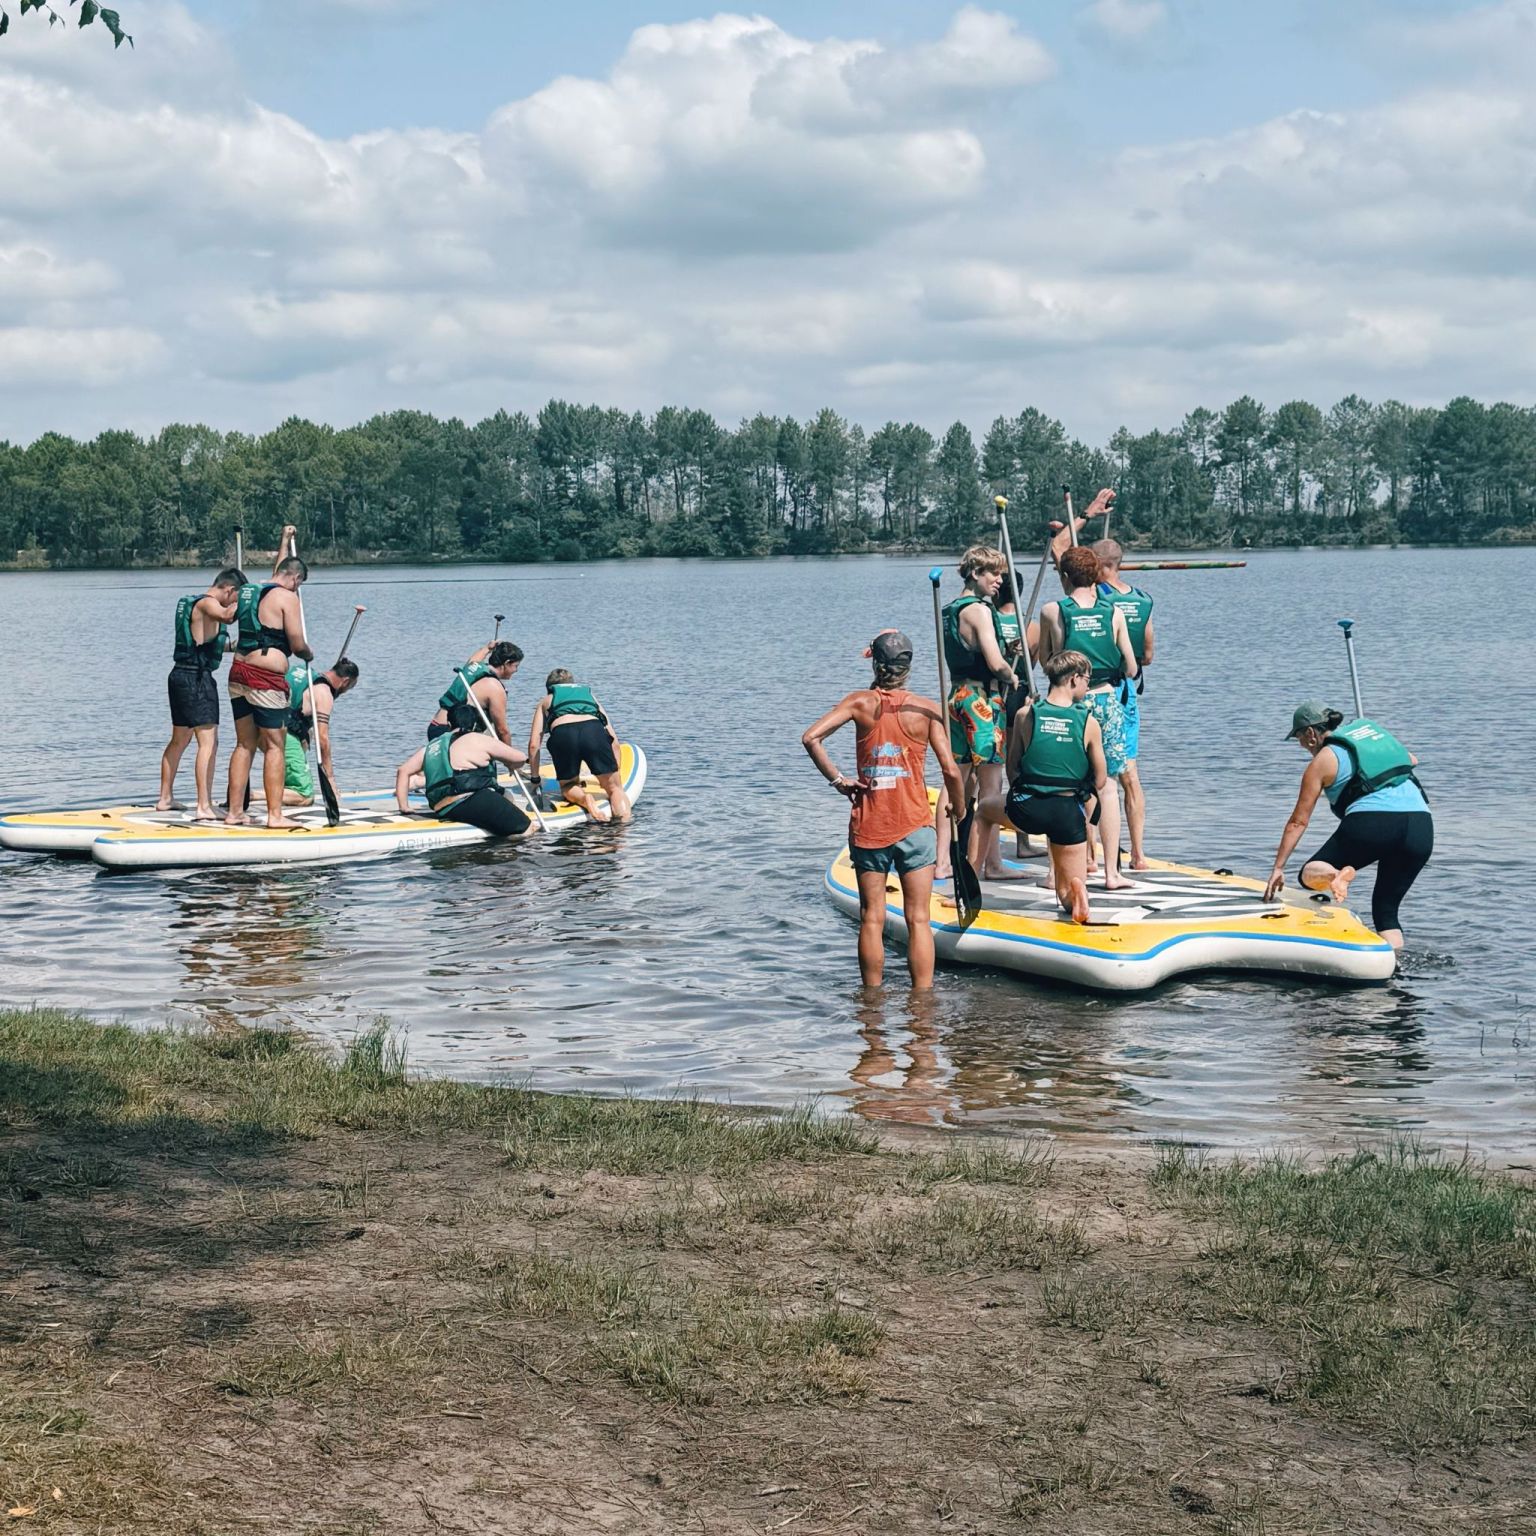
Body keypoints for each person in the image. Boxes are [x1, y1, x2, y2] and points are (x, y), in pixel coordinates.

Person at [801, 630, 966, 990]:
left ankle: (871, 1003)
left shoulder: (859, 702)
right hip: (915, 825)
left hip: (870, 823)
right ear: (908, 667)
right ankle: (922, 1003)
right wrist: (959, 805)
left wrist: (839, 780)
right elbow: (952, 771)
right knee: (918, 919)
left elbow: (811, 737)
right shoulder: (926, 709)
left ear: (875, 664)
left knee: (871, 918)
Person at [1264, 703, 1432, 950]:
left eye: (1299, 737)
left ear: (1311, 733)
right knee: (1386, 910)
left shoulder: (1322, 761)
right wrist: (1371, 751)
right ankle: (1394, 964)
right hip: (1421, 827)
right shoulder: (1373, 742)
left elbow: (1298, 822)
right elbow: (1411, 759)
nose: (1301, 745)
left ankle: (1335, 875)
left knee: (1308, 874)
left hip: (1375, 823)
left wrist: (1278, 867)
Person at [976, 650, 1108, 925]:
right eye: (1087, 679)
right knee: (1065, 896)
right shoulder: (1089, 722)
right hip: (1067, 813)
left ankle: (970, 885)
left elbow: (1012, 766)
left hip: (1028, 807)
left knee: (984, 810)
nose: (1087, 686)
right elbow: (1101, 780)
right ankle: (1076, 893)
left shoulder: (1025, 714)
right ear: (1074, 679)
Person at [1037, 544, 1138, 890]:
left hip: (1070, 704)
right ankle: (1112, 873)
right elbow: (1131, 666)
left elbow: (1048, 662)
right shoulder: (1114, 611)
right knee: (1106, 787)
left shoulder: (1053, 610)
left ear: (1065, 576)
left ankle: (1056, 873)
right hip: (1106, 700)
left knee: (1063, 785)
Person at [936, 545, 1020, 882]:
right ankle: (992, 864)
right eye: (993, 573)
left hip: (956, 697)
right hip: (982, 701)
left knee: (954, 779)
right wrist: (1011, 674)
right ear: (975, 573)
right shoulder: (981, 611)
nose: (999, 580)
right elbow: (995, 663)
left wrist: (1005, 650)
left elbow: (970, 650)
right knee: (991, 785)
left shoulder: (950, 609)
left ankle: (942, 861)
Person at [224, 536, 312, 830]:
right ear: (295, 578)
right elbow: (297, 644)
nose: (297, 589)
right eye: (299, 584)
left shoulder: (249, 592)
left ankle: (235, 811)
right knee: (275, 745)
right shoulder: (288, 597)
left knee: (244, 744)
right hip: (266, 678)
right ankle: (275, 815)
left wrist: (284, 540)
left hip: (238, 672)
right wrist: (308, 653)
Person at [158, 567, 243, 820]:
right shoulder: (208, 603)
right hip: (196, 679)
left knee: (179, 740)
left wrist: (234, 646)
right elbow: (227, 616)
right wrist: (252, 600)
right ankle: (204, 805)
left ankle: (165, 798)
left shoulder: (192, 603)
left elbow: (204, 641)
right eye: (237, 597)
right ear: (229, 590)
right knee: (209, 742)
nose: (234, 602)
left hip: (179, 675)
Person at [1093, 537, 1155, 869]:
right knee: (1130, 772)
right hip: (1128, 688)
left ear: (1102, 564)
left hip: (1101, 688)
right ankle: (1139, 854)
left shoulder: (1097, 596)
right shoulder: (1142, 600)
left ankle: (1092, 854)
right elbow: (1148, 655)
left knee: (1094, 772)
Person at [395, 705, 535, 838]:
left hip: (441, 808)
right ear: (475, 724)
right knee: (527, 829)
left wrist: (404, 807)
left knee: (503, 796)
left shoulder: (431, 747)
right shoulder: (477, 738)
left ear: (449, 724)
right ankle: (506, 850)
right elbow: (520, 758)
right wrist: (511, 763)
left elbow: (403, 771)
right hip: (471, 800)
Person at [525, 669, 632, 823]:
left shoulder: (546, 700)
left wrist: (535, 780)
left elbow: (534, 745)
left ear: (550, 688)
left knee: (568, 785)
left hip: (563, 735)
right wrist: (615, 771)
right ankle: (623, 826)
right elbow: (613, 739)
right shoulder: (590, 697)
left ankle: (584, 799)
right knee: (615, 789)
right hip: (593, 731)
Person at [282, 659, 360, 806]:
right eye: (350, 687)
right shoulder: (324, 693)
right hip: (285, 735)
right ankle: (252, 796)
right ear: (345, 681)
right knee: (305, 795)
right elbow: (322, 739)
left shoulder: (303, 671)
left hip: (264, 724)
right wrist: (330, 779)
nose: (345, 692)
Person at [426, 641, 524, 743]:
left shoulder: (473, 668)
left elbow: (473, 660)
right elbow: (502, 730)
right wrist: (508, 752)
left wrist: (488, 648)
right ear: (507, 663)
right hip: (450, 732)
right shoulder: (495, 687)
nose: (516, 670)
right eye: (516, 666)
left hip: (435, 726)